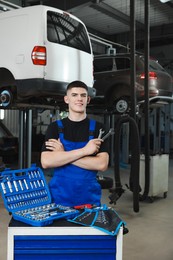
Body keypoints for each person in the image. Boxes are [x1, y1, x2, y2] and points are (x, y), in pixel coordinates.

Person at [41, 80, 109, 207]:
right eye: (74, 95)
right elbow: (46, 162)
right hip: (59, 198)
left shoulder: (98, 129)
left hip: (89, 200)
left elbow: (102, 164)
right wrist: (85, 151)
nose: (79, 99)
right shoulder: (54, 128)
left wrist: (63, 155)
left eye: (83, 95)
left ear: (88, 99)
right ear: (66, 99)